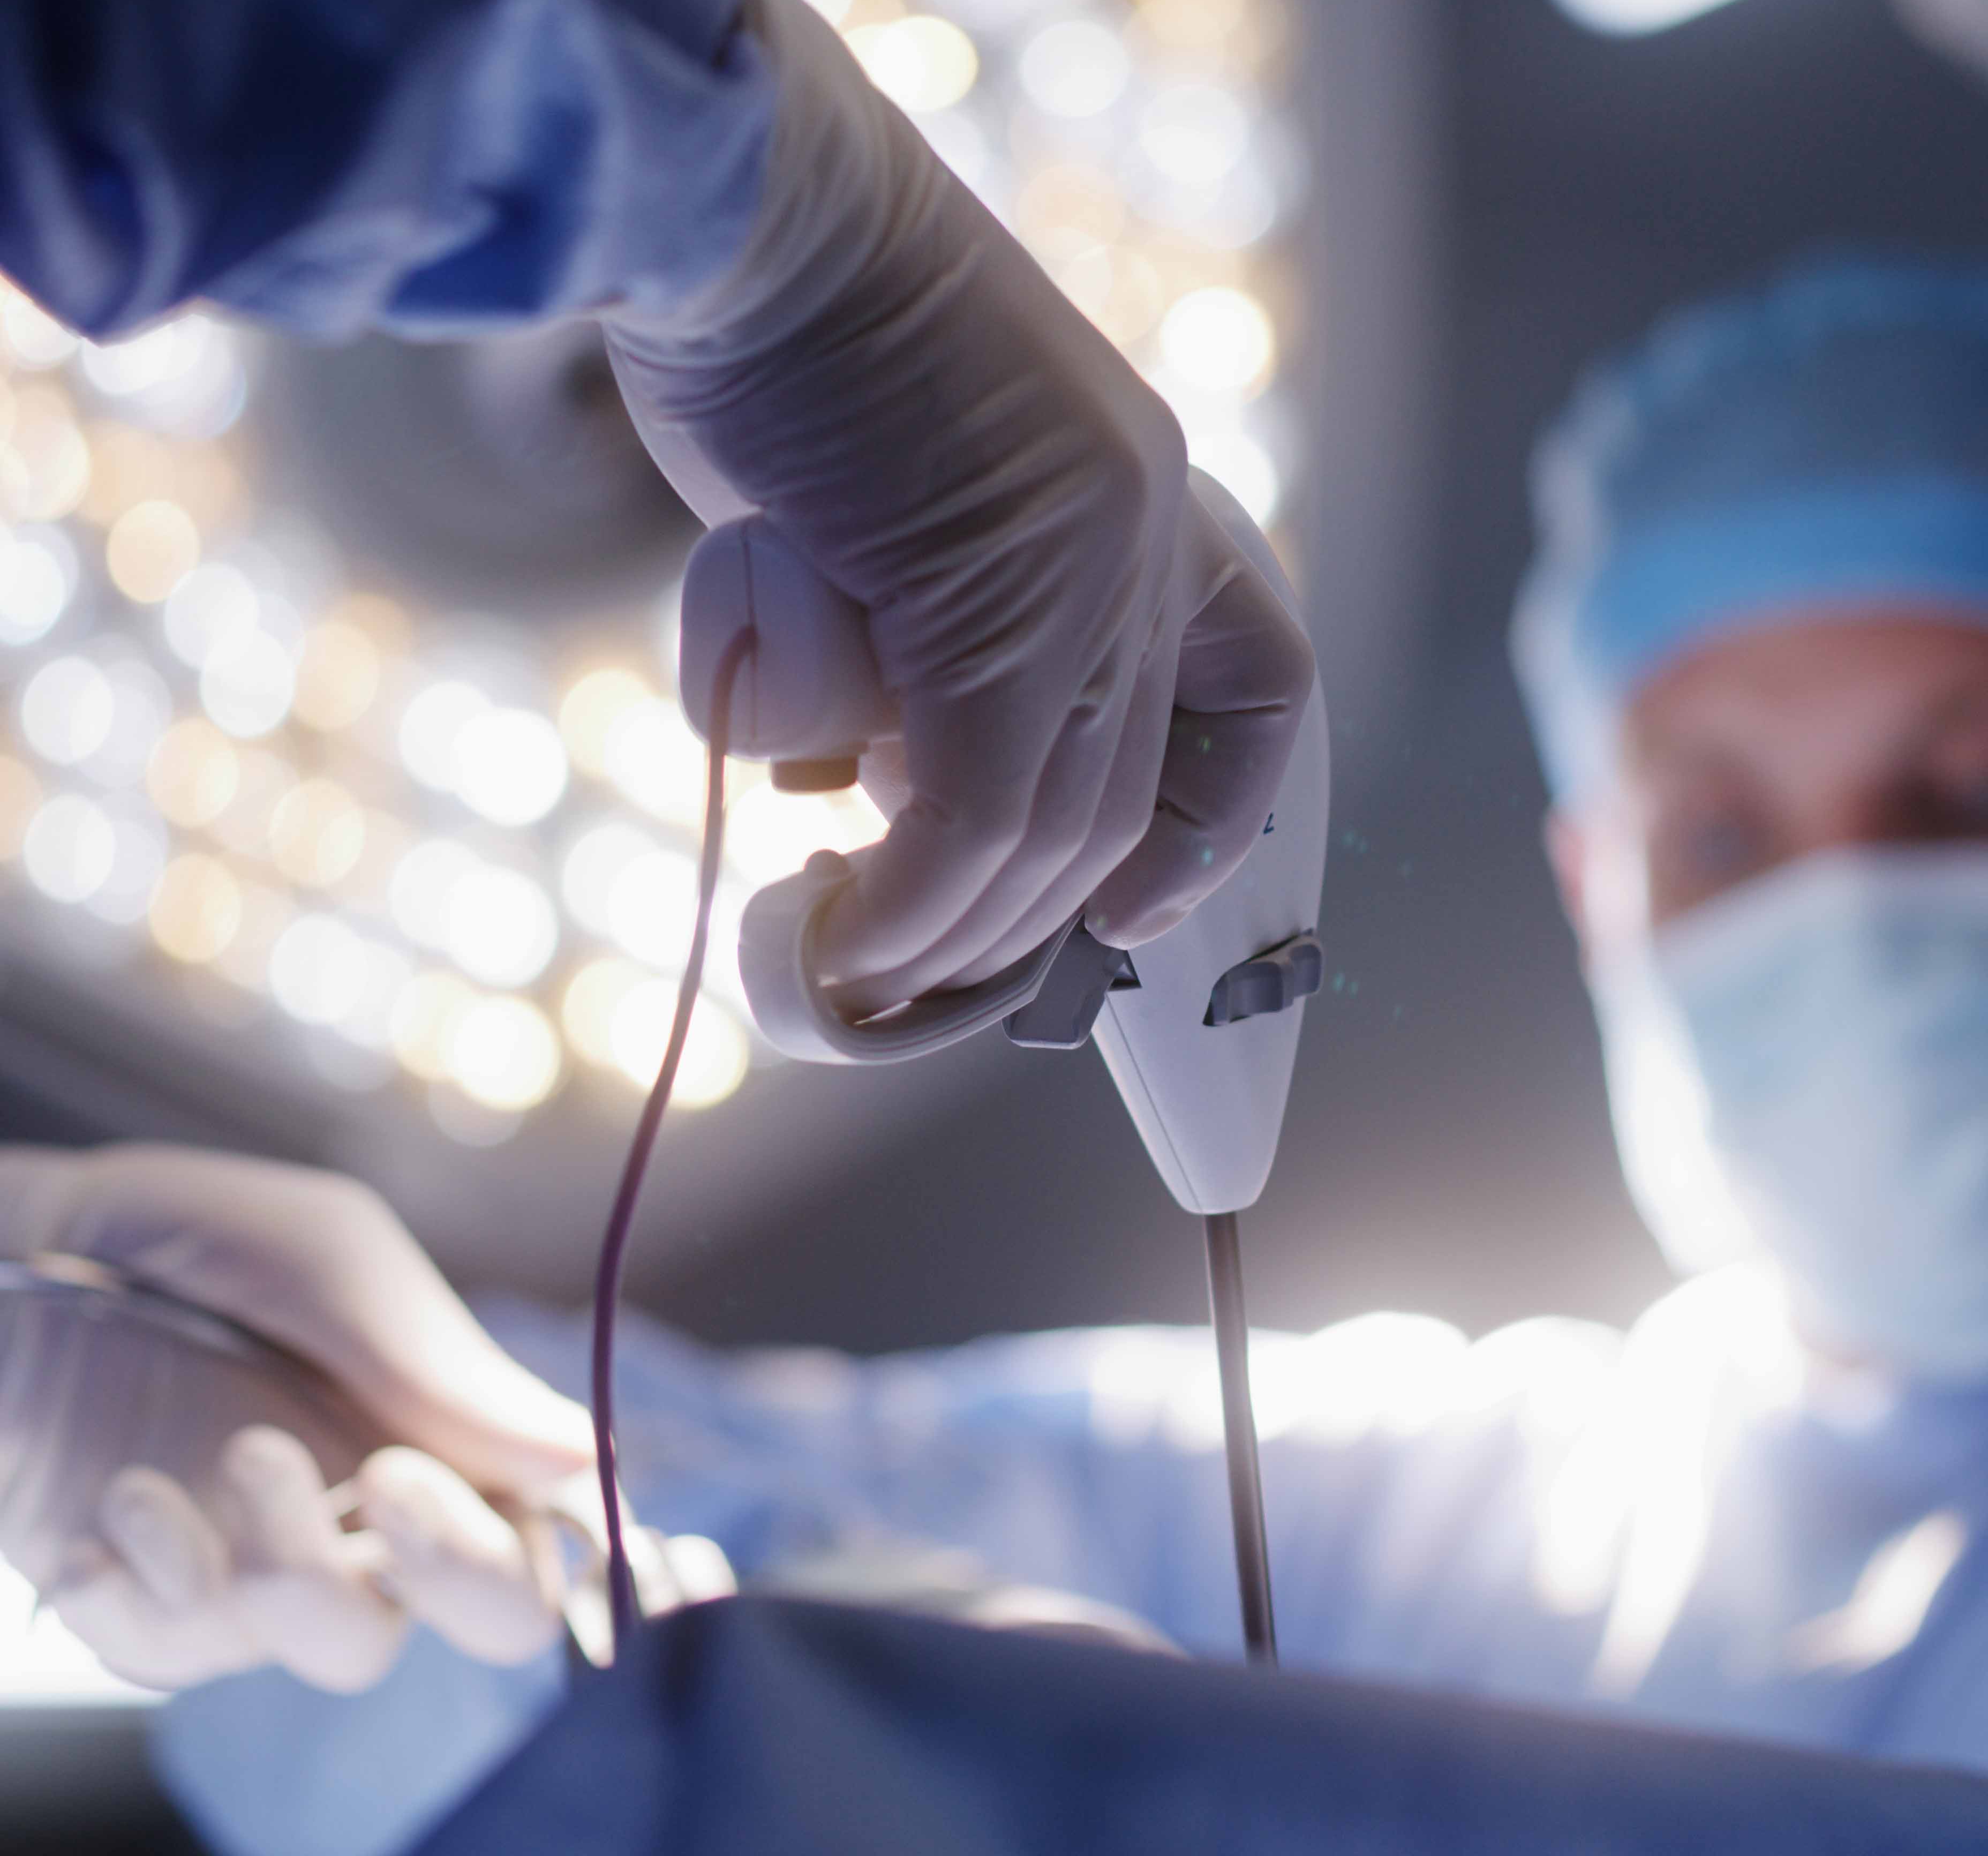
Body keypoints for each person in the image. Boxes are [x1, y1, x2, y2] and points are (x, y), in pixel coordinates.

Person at [13, 251, 1978, 1856]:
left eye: (1964, 790)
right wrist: (204, 1361)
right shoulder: (1457, 1499)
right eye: (1718, 832)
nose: (1856, 906)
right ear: (1596, 878)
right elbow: (733, 1499)